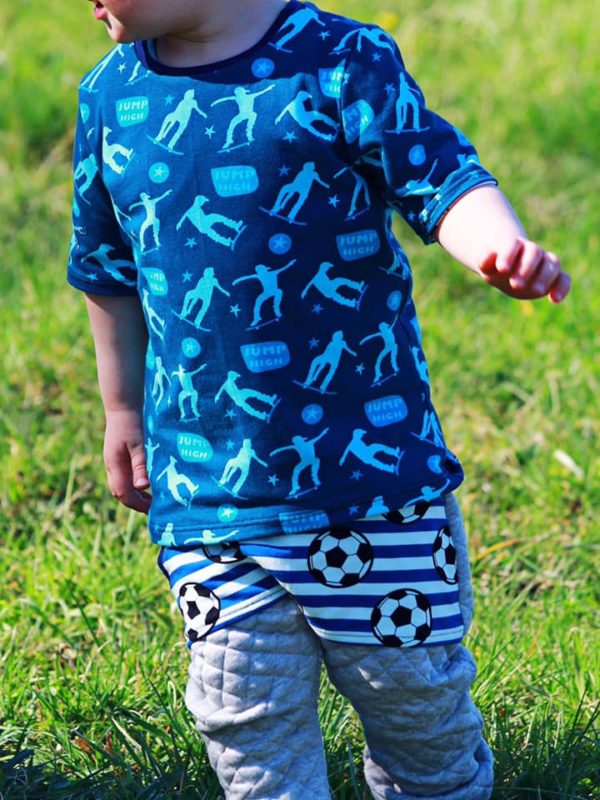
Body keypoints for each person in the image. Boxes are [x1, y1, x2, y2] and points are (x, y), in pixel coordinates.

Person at [68, 1, 571, 798]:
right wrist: (123, 413)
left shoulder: (339, 60)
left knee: (413, 701)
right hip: (209, 490)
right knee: (245, 715)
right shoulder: (111, 95)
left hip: (370, 480)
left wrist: (498, 247)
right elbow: (107, 270)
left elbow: (441, 176)